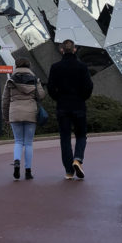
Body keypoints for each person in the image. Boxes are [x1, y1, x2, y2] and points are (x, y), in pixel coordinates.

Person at [46, 38, 94, 180]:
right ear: (74, 49)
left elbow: (50, 87)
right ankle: (77, 159)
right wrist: (82, 98)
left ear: (62, 50)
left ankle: (68, 170)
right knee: (81, 135)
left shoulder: (55, 67)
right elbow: (89, 86)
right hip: (78, 105)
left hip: (63, 106)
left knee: (65, 138)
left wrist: (58, 98)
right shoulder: (82, 67)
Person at [2, 57, 45, 180]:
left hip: (14, 114)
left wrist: (6, 116)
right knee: (28, 143)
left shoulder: (10, 81)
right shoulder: (34, 80)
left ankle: (16, 161)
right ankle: (28, 171)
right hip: (30, 113)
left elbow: (5, 101)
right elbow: (41, 95)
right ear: (29, 66)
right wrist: (38, 85)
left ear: (16, 66)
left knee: (18, 141)